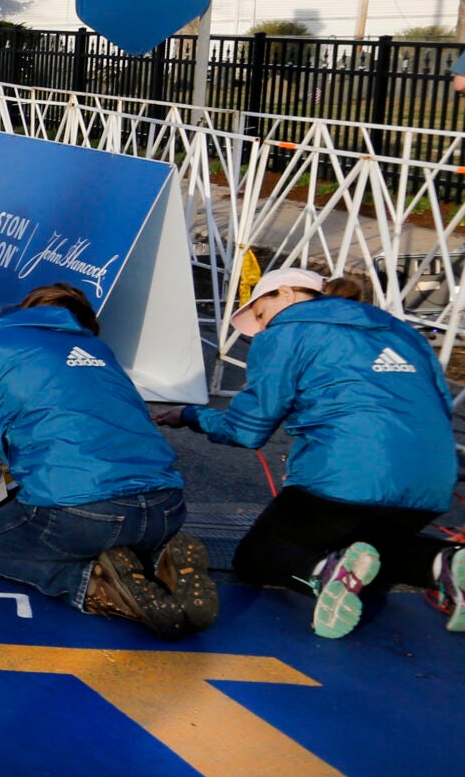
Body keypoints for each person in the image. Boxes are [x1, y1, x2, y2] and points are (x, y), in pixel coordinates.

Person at [161, 269, 462, 637]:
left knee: (258, 555)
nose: (261, 325)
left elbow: (247, 429)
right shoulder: (401, 332)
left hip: (347, 474)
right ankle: (445, 562)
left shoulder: (286, 332)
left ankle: (324, 575)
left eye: (260, 313)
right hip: (432, 481)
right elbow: (440, 404)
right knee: (371, 549)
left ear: (285, 294)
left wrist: (191, 415)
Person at [0, 283, 215, 637]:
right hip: (167, 506)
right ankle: (159, 558)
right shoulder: (96, 347)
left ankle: (96, 587)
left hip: (85, 510)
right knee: (112, 527)